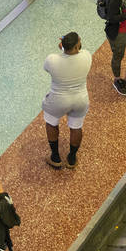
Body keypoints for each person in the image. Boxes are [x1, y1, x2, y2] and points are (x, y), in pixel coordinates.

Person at [41, 32, 90, 169]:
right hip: (80, 99)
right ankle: (72, 158)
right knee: (76, 127)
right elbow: (78, 52)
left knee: (51, 122)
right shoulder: (86, 56)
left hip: (58, 100)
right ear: (76, 46)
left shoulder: (51, 60)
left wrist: (62, 49)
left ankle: (55, 157)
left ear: (63, 45)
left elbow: (47, 68)